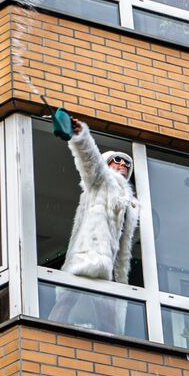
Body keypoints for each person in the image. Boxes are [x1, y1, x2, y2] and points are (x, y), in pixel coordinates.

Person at [60, 117, 139, 284]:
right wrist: (82, 136)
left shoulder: (130, 203)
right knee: (67, 301)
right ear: (106, 164)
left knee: (106, 308)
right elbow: (90, 160)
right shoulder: (101, 181)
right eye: (117, 160)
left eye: (126, 163)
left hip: (110, 271)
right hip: (89, 257)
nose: (123, 164)